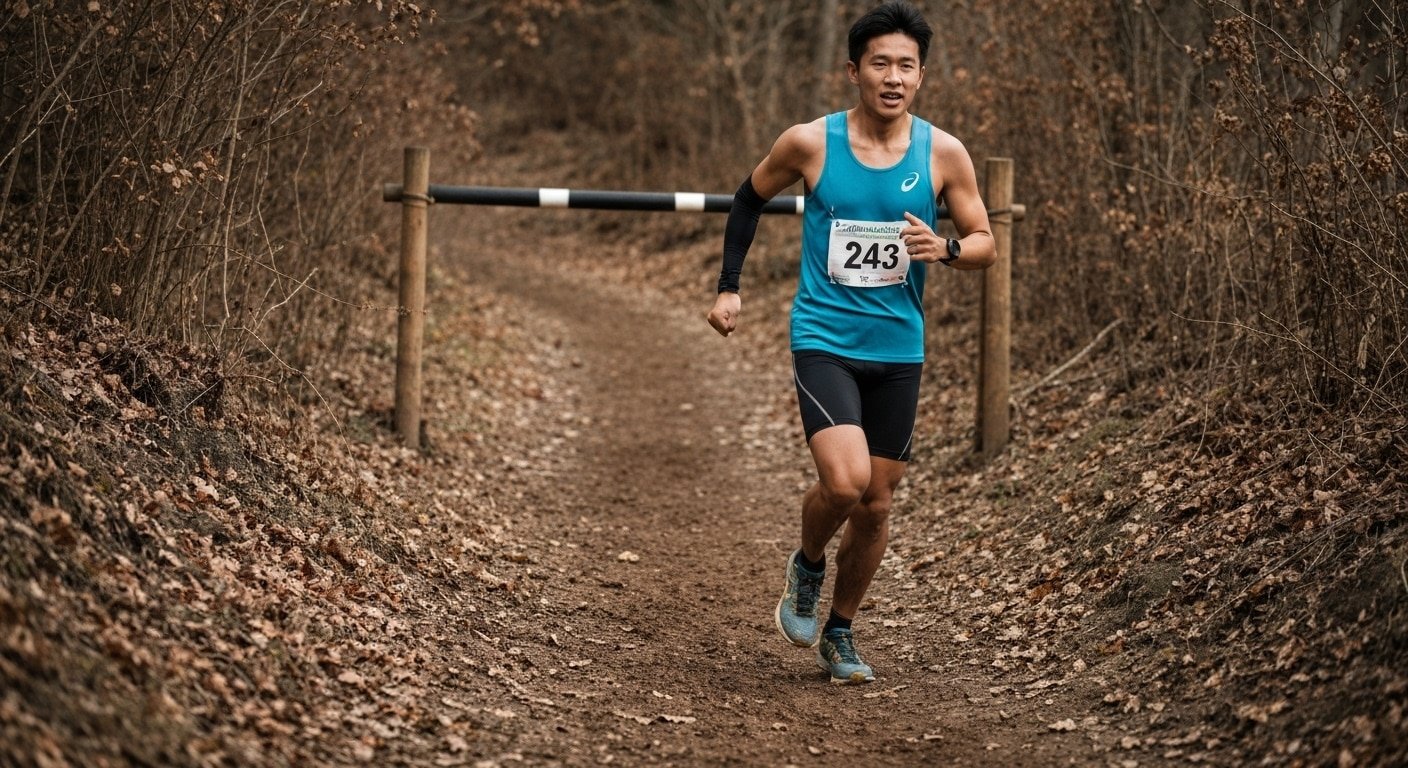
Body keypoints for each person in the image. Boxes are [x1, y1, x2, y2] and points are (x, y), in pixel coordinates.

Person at [706, 0, 995, 684]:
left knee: (878, 505)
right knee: (845, 481)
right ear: (853, 70)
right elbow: (747, 199)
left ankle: (841, 631)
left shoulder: (944, 153)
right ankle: (807, 566)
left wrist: (946, 248)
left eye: (907, 66)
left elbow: (987, 242)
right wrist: (729, 286)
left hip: (899, 347)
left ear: (921, 75)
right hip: (824, 336)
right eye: (880, 64)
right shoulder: (810, 142)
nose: (893, 77)